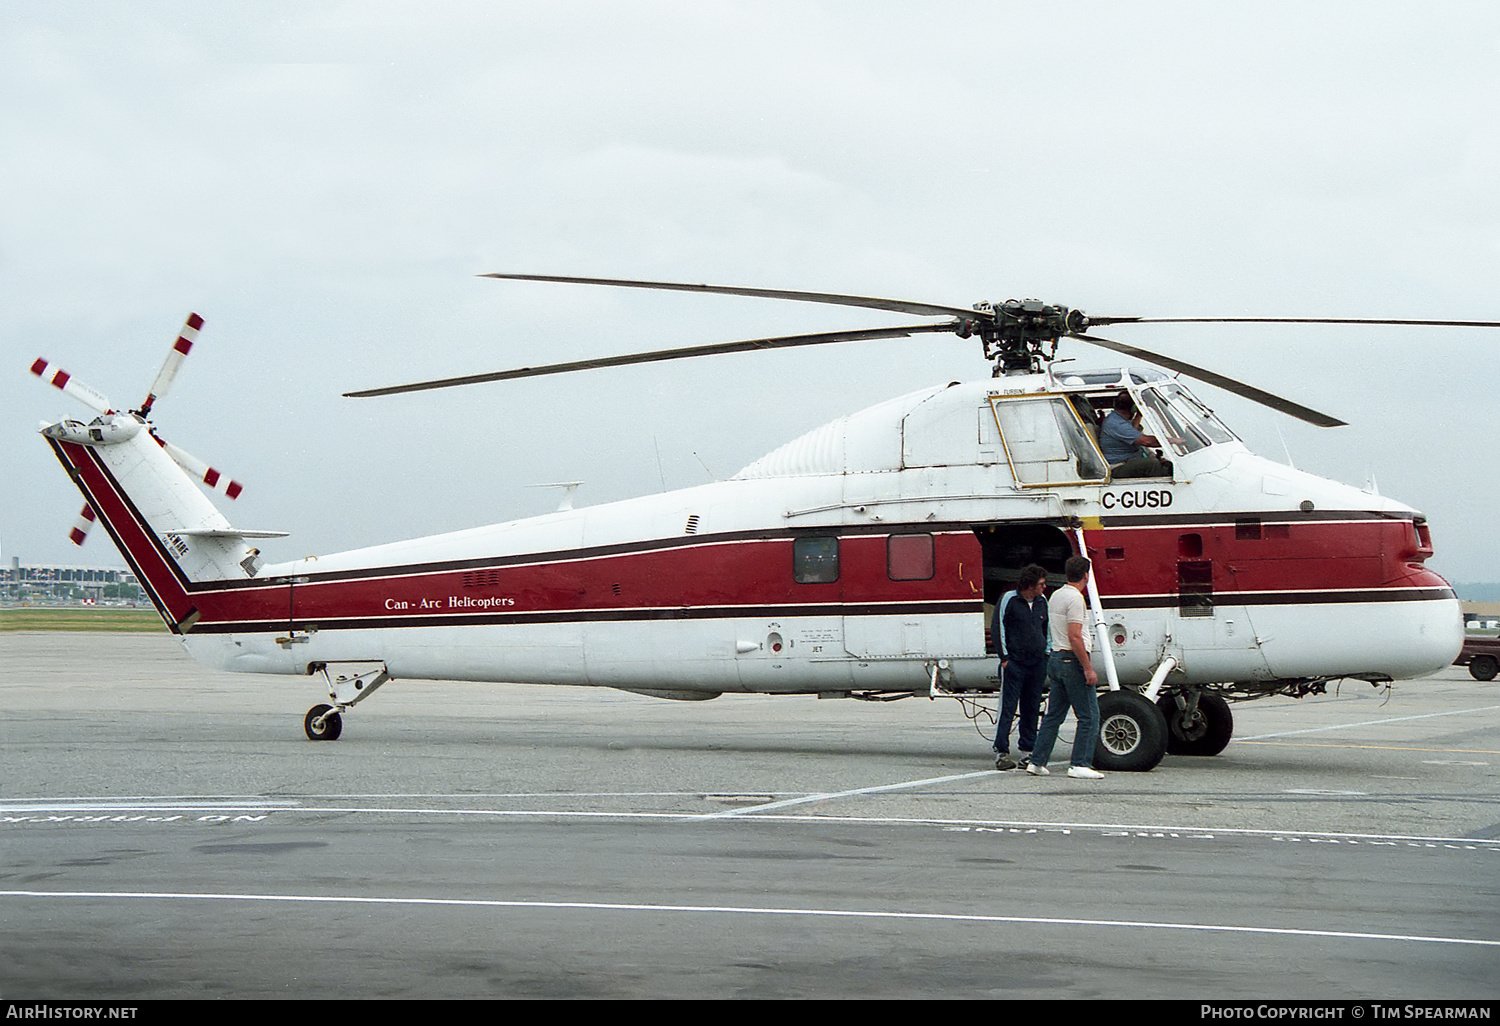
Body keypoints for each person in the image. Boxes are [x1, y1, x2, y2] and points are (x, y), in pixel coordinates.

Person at [1026, 555, 1105, 780]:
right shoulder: (1076, 599)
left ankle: (1037, 760)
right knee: (1089, 716)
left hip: (1056, 659)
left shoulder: (1056, 595)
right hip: (1072, 660)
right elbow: (1075, 636)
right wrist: (1088, 668)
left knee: (1054, 715)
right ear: (1086, 576)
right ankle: (1080, 763)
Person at [992, 564, 1049, 770]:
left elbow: (1046, 629)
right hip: (1014, 662)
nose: (1044, 587)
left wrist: (1046, 654)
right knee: (1008, 707)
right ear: (1030, 585)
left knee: (1031, 707)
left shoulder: (1043, 602)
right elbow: (998, 627)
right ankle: (1001, 751)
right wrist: (1005, 658)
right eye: (1041, 584)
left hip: (1036, 663)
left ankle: (1028, 750)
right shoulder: (1009, 600)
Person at [1099, 392, 1172, 479]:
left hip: (1129, 461)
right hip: (1118, 466)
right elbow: (1147, 441)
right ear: (1133, 408)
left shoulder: (1118, 419)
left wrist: (1139, 415)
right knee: (1151, 464)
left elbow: (1132, 431)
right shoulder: (1116, 423)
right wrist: (1173, 441)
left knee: (1166, 464)